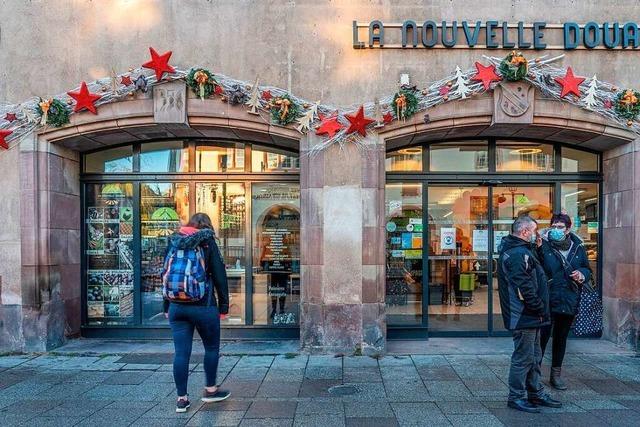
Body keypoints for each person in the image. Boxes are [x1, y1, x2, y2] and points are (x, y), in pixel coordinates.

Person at [162, 213, 230, 413]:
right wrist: (223, 307)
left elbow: (166, 274)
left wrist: (166, 306)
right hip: (204, 305)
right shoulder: (207, 242)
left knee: (181, 353)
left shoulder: (174, 240)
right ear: (207, 226)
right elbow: (220, 276)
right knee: (211, 348)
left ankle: (182, 399)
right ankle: (210, 390)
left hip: (176, 306)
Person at [497, 215, 562, 413]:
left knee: (534, 355)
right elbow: (523, 287)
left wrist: (539, 248)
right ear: (525, 231)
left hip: (531, 314)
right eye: (534, 231)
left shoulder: (524, 250)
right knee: (523, 357)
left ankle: (536, 392)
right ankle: (516, 397)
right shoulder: (517, 253)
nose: (536, 235)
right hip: (524, 314)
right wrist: (540, 307)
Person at [537, 212, 591, 390]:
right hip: (548, 298)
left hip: (569, 297)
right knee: (542, 337)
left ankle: (556, 375)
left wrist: (582, 273)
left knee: (560, 338)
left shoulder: (577, 247)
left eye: (560, 227)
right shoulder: (542, 245)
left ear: (568, 229)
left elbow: (586, 267)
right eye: (553, 226)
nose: (555, 230)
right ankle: (535, 375)